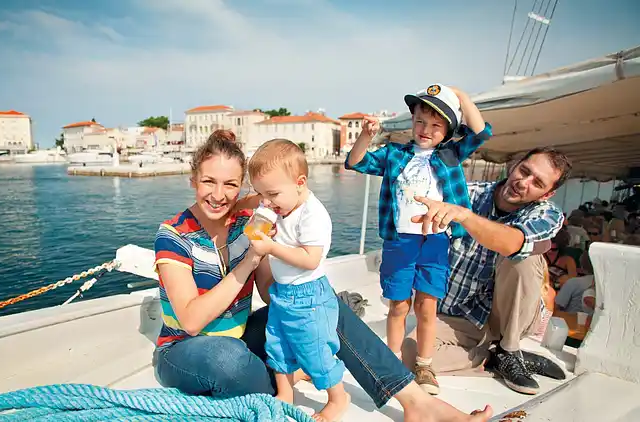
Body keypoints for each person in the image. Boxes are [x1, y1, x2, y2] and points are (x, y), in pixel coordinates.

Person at [153, 129, 492, 422]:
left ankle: (416, 402)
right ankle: (295, 372)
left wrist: (282, 258)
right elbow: (191, 322)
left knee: (323, 303)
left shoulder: (245, 223)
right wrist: (250, 261)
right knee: (228, 359)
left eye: (230, 184)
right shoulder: (174, 235)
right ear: (193, 180)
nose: (218, 195)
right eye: (208, 181)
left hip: (241, 336)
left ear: (241, 187)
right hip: (185, 350)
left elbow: (269, 292)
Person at [345, 84, 492, 395]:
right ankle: (393, 362)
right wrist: (366, 136)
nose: (426, 129)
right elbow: (356, 161)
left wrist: (462, 96)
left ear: (448, 130)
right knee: (398, 305)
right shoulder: (394, 154)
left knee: (427, 307)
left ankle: (425, 365)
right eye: (420, 121)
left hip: (435, 242)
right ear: (412, 121)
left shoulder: (451, 153)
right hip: (400, 243)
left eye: (436, 125)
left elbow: (481, 132)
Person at [401, 146, 572, 395]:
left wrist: (465, 217)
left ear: (547, 194)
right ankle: (492, 359)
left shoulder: (547, 214)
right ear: (515, 164)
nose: (523, 182)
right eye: (524, 171)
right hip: (458, 315)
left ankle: (509, 348)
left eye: (537, 183)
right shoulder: (468, 194)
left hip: (505, 315)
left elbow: (511, 243)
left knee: (523, 256)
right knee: (411, 355)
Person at [246, 139, 348, 421]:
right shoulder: (282, 208)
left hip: (310, 296)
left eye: (272, 194)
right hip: (282, 293)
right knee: (276, 343)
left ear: (300, 183)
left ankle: (338, 397)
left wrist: (271, 247)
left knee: (315, 350)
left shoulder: (312, 215)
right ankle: (285, 392)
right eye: (261, 194)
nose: (266, 202)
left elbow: (310, 259)